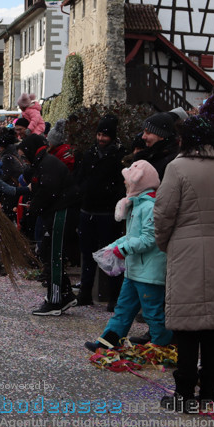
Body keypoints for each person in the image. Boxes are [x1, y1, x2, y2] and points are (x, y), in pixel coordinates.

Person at [155, 116, 214, 409]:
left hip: (186, 249)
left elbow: (164, 213)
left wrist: (166, 243)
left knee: (187, 327)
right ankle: (208, 392)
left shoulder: (177, 168)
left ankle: (184, 394)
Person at [87, 160, 171, 350]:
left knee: (152, 313)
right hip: (136, 270)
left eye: (127, 180)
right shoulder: (137, 205)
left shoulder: (149, 207)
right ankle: (108, 341)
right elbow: (132, 236)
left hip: (149, 272)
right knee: (123, 309)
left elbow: (150, 239)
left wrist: (122, 249)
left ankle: (162, 345)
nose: (125, 183)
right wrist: (113, 247)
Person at [19, 133, 80, 316]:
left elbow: (47, 191)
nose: (24, 160)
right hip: (57, 212)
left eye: (24, 155)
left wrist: (34, 209)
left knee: (54, 255)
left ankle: (55, 301)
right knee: (50, 252)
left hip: (61, 213)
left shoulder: (48, 164)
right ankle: (65, 294)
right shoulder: (43, 163)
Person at [73, 114, 126, 308]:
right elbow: (79, 177)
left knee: (110, 255)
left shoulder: (118, 156)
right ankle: (86, 293)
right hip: (88, 210)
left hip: (107, 213)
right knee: (87, 255)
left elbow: (121, 184)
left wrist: (111, 197)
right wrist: (83, 190)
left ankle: (114, 297)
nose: (101, 138)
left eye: (105, 135)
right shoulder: (90, 153)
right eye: (99, 134)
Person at [135, 112, 180, 179]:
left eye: (148, 133)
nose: (143, 137)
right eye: (143, 132)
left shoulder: (169, 160)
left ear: (161, 136)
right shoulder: (150, 153)